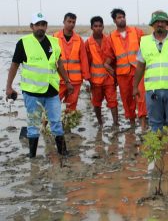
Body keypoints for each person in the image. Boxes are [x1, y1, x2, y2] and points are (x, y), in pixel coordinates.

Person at [5, 12, 73, 158]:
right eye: (37, 25)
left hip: (52, 91)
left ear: (46, 26)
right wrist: (9, 87)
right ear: (32, 26)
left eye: (43, 24)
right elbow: (15, 65)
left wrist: (67, 81)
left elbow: (59, 63)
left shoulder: (54, 42)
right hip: (32, 92)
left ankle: (63, 152)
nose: (40, 27)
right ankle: (32, 155)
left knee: (56, 122)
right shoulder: (23, 43)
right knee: (33, 125)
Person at [133, 11, 168, 152]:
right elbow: (140, 66)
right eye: (157, 22)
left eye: (163, 22)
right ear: (152, 25)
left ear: (167, 24)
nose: (160, 24)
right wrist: (135, 86)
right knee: (155, 123)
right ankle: (157, 152)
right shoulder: (145, 42)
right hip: (153, 90)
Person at [105, 8, 147, 130]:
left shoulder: (136, 31)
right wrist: (109, 69)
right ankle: (132, 123)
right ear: (114, 20)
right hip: (122, 74)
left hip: (138, 70)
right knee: (127, 99)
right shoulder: (111, 37)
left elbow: (146, 48)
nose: (122, 19)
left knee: (141, 97)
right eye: (119, 17)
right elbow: (109, 57)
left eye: (123, 16)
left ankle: (143, 125)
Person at [85, 16, 118, 127]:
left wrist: (116, 77)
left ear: (103, 26)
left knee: (113, 101)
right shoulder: (88, 43)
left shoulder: (109, 40)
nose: (98, 28)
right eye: (95, 26)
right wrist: (88, 80)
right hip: (95, 80)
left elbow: (114, 57)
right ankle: (100, 123)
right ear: (91, 27)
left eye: (100, 26)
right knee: (97, 103)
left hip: (109, 78)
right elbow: (86, 62)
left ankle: (116, 123)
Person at [54, 13, 90, 112]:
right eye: (69, 21)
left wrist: (86, 77)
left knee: (71, 106)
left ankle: (67, 126)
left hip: (75, 80)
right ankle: (49, 126)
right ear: (64, 22)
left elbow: (84, 59)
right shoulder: (55, 37)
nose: (71, 24)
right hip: (58, 80)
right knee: (53, 104)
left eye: (73, 22)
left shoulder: (79, 39)